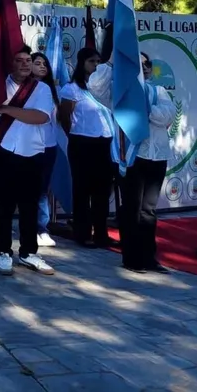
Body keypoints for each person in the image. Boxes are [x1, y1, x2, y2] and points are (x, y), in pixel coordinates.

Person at [0, 45, 55, 276]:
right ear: (11, 63)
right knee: (5, 206)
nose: (26, 64)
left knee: (29, 207)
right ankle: (4, 252)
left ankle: (28, 253)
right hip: (4, 151)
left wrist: (6, 109)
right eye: (19, 60)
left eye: (29, 60)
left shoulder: (42, 89)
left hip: (33, 152)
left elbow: (39, 117)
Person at [88, 52, 175, 272]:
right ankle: (132, 258)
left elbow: (168, 115)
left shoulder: (159, 91)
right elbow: (95, 87)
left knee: (149, 210)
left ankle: (149, 257)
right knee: (131, 209)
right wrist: (110, 62)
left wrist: (144, 109)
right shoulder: (120, 91)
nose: (144, 68)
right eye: (139, 64)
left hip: (156, 157)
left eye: (147, 64)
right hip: (131, 158)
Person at [60, 48, 115, 249]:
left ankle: (101, 233)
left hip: (104, 144)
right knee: (83, 190)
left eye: (99, 62)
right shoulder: (71, 89)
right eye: (92, 61)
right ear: (82, 62)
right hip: (82, 143)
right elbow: (64, 117)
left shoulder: (105, 88)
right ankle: (83, 233)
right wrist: (75, 136)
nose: (96, 66)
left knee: (102, 191)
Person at [31, 52, 61, 248]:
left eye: (45, 64)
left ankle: (42, 228)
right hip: (30, 145)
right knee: (29, 189)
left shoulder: (51, 89)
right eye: (37, 63)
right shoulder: (24, 89)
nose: (42, 66)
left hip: (49, 145)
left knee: (43, 189)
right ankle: (30, 228)